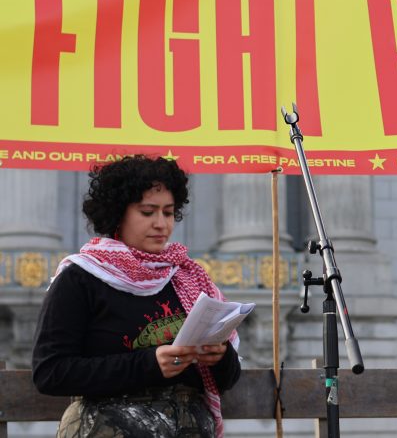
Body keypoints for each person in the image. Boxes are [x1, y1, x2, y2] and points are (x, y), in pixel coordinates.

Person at [32, 155, 241, 438]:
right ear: (118, 213)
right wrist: (149, 364)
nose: (161, 224)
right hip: (108, 427)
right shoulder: (81, 277)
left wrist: (220, 356)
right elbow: (51, 372)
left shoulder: (187, 277)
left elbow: (224, 381)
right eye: (147, 212)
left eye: (168, 212)